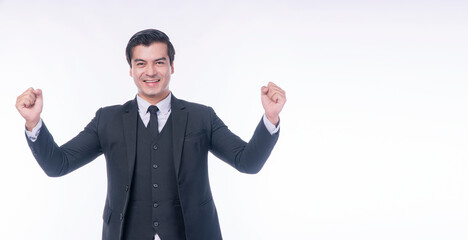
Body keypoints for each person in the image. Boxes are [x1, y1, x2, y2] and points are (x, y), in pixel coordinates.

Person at [15, 29, 286, 240]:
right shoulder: (106, 120)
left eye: (159, 62)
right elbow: (57, 165)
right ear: (131, 70)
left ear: (171, 66)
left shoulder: (202, 117)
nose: (151, 72)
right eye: (141, 63)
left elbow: (248, 162)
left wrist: (270, 117)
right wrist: (34, 122)